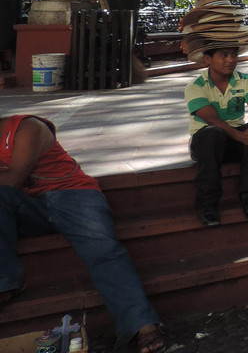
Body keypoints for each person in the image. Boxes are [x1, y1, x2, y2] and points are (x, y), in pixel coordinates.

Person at [0, 114, 165, 353]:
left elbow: (14, 178)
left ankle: (143, 325)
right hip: (30, 206)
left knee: (103, 251)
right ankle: (7, 283)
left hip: (73, 195)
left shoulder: (26, 127)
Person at [185, 47, 248, 226]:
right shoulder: (195, 87)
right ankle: (207, 203)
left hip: (232, 142)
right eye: (223, 55)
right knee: (213, 133)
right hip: (206, 142)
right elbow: (213, 120)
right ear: (208, 59)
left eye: (234, 54)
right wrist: (240, 137)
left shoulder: (245, 81)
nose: (230, 60)